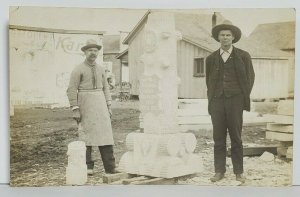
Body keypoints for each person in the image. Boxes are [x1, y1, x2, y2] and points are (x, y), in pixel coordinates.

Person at [205, 20, 255, 183]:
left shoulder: (243, 56)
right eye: (222, 35)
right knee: (218, 137)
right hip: (217, 102)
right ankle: (219, 171)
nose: (225, 38)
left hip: (235, 102)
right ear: (218, 38)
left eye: (228, 35)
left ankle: (238, 172)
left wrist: (241, 97)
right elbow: (209, 81)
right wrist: (212, 100)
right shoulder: (211, 58)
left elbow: (250, 78)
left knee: (236, 137)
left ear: (233, 38)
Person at [67, 39, 118, 174]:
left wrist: (109, 105)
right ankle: (87, 166)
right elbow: (71, 89)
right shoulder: (78, 70)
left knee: (106, 134)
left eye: (95, 50)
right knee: (86, 135)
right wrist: (75, 108)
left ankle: (110, 167)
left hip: (101, 103)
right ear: (84, 52)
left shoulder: (101, 69)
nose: (93, 53)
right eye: (90, 50)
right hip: (85, 104)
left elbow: (106, 88)